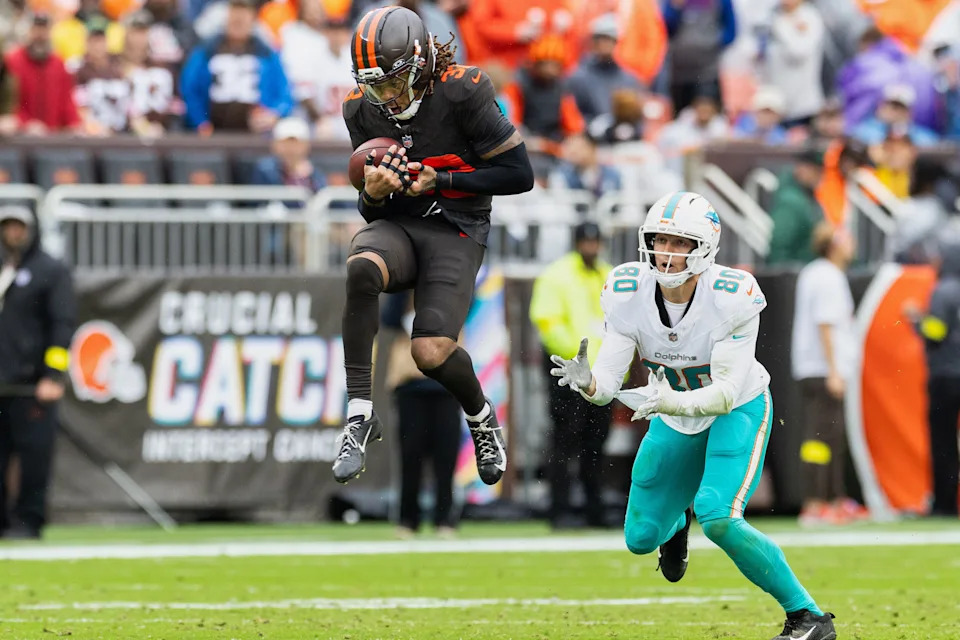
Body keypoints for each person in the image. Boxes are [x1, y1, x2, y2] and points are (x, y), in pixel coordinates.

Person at [548, 191, 837, 640]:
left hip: (736, 407)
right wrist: (589, 383)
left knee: (719, 515)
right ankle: (675, 526)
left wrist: (663, 403)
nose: (665, 252)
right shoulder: (627, 291)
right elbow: (607, 385)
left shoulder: (733, 295)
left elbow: (722, 395)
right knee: (640, 537)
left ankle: (807, 616)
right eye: (659, 239)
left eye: (679, 242)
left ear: (703, 247)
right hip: (671, 412)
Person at [332, 6, 534, 486]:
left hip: (456, 227)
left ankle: (481, 416)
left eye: (394, 81)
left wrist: (440, 179)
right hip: (400, 224)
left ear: (421, 62)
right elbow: (372, 213)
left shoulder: (463, 90)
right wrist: (372, 193)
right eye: (375, 84)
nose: (385, 95)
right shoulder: (360, 107)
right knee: (360, 269)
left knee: (430, 352)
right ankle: (359, 414)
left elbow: (520, 174)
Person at [530, 222, 614, 528]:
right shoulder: (557, 275)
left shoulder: (609, 275)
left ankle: (595, 510)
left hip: (602, 374)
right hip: (568, 373)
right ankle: (560, 510)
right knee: (565, 441)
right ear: (577, 243)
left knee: (597, 443)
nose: (591, 248)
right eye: (586, 242)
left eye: (595, 242)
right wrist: (576, 360)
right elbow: (547, 322)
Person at [0, 205, 75, 540]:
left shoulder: (50, 270)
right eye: (7, 227)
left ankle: (29, 521)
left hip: (32, 385)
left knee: (34, 456)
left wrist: (54, 374)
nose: (13, 233)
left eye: (19, 226)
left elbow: (62, 326)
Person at [791, 223, 867, 526]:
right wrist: (834, 370)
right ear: (835, 244)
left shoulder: (814, 272)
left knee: (828, 436)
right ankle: (814, 502)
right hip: (823, 369)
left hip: (815, 368)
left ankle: (833, 499)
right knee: (819, 437)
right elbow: (826, 324)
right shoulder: (828, 276)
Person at [383, 291, 462, 538]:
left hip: (447, 378)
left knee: (446, 455)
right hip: (411, 379)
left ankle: (445, 518)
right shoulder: (404, 284)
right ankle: (408, 519)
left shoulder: (451, 281)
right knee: (411, 454)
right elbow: (389, 318)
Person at [906, 225, 960, 517]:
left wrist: (915, 319)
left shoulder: (944, 290)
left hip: (945, 378)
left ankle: (944, 504)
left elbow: (935, 333)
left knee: (943, 443)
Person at [180, 0, 294, 134]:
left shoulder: (267, 54)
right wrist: (200, 122)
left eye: (244, 15)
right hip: (212, 135)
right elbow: (190, 89)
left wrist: (274, 115)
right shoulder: (206, 51)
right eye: (235, 14)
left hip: (256, 136)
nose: (239, 19)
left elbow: (285, 93)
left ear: (253, 20)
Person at [767, 148, 825, 266]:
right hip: (794, 272)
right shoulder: (791, 201)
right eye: (816, 171)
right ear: (803, 169)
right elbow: (780, 245)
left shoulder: (808, 197)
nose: (820, 177)